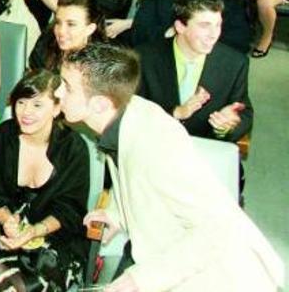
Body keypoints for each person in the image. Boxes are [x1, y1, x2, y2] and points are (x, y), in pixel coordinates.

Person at [59, 43, 284, 291]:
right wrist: (115, 213)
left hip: (214, 276)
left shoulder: (154, 147)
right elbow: (133, 178)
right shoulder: (123, 115)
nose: (58, 93)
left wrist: (140, 280)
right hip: (161, 252)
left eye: (67, 87)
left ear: (100, 104)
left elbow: (216, 230)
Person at [0, 69, 90, 291]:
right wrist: (8, 222)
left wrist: (33, 231)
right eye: (21, 102)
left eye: (37, 105)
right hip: (1, 223)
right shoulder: (1, 136)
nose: (26, 112)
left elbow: (69, 210)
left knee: (21, 283)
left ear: (56, 108)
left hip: (53, 233)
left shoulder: (73, 149)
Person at [136, 0, 252, 142]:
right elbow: (130, 110)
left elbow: (244, 112)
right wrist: (175, 113)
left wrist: (226, 125)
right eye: (204, 26)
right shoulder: (144, 57)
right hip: (155, 143)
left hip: (206, 147)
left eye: (218, 25)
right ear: (180, 27)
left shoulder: (234, 63)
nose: (213, 35)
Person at [29, 0, 107, 71]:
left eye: (71, 24)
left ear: (90, 29)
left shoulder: (101, 67)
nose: (61, 31)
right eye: (58, 22)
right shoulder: (44, 47)